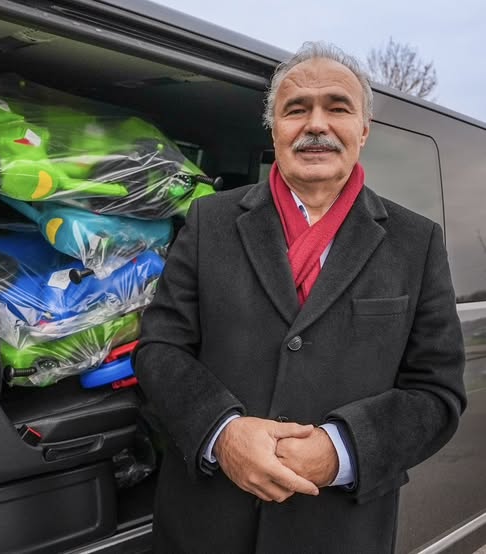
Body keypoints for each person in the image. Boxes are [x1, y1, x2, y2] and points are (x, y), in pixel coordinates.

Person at [133, 41, 466, 554]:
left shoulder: (415, 241)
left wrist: (341, 450)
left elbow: (436, 393)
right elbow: (160, 349)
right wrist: (222, 433)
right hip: (206, 525)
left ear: (363, 129)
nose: (316, 124)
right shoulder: (210, 221)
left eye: (337, 108)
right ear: (275, 130)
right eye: (296, 109)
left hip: (340, 531)